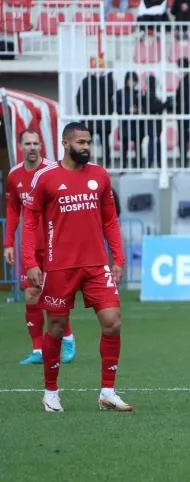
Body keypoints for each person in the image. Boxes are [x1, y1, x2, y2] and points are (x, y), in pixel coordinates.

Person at [20, 122, 132, 413]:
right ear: (65, 143)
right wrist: (31, 261)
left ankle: (107, 391)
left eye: (89, 142)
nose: (86, 147)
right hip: (60, 266)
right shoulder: (45, 178)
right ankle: (51, 391)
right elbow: (30, 222)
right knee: (55, 327)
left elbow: (110, 220)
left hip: (96, 264)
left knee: (113, 322)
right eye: (80, 142)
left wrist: (117, 259)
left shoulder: (99, 175)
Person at [3, 129, 75, 366]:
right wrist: (9, 243)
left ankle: (67, 338)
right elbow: (13, 209)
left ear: (41, 146)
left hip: (55, 244)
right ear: (21, 146)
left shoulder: (52, 171)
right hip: (31, 245)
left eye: (36, 143)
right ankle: (38, 350)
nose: (32, 147)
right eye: (28, 143)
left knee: (56, 295)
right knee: (31, 295)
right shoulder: (14, 176)